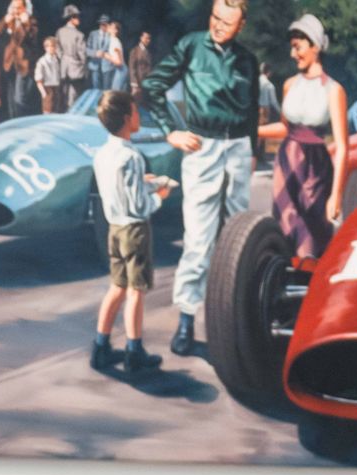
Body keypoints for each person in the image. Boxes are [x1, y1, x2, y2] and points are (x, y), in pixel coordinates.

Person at [139, 0, 260, 357]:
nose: (218, 26)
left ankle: (232, 319)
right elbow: (153, 86)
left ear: (241, 26)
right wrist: (170, 132)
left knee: (236, 237)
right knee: (198, 239)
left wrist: (252, 150)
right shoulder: (191, 46)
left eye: (227, 23)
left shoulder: (247, 61)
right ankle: (187, 319)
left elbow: (252, 111)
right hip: (202, 147)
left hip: (237, 149)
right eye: (215, 18)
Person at [91, 90, 174, 375]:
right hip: (134, 231)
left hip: (114, 228)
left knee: (117, 287)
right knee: (136, 291)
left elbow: (121, 190)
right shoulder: (131, 156)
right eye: (136, 112)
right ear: (127, 119)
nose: (139, 116)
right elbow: (138, 205)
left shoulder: (103, 154)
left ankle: (100, 347)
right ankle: (134, 350)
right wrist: (160, 195)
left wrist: (145, 182)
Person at [258, 14, 349, 259]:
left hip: (315, 168)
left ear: (315, 47)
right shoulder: (289, 85)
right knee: (284, 229)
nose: (293, 54)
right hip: (286, 163)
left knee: (312, 236)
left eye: (298, 47)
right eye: (292, 48)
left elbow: (342, 147)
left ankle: (310, 280)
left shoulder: (334, 90)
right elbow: (284, 128)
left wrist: (336, 195)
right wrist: (253, 131)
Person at [0, 0, 40, 118]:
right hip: (9, 62)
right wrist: (4, 21)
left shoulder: (31, 22)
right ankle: (13, 122)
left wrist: (26, 24)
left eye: (19, 8)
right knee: (11, 97)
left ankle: (21, 122)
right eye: (14, 8)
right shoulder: (9, 20)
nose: (16, 11)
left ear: (25, 9)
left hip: (23, 64)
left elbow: (31, 39)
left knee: (19, 98)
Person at [57, 5, 89, 103]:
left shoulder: (59, 32)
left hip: (64, 67)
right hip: (76, 68)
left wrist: (63, 59)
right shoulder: (79, 35)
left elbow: (58, 50)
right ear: (71, 18)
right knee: (75, 94)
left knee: (65, 93)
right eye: (77, 17)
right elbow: (83, 54)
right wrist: (84, 66)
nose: (79, 19)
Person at [35, 35, 66, 113]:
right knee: (48, 110)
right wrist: (44, 93)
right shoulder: (42, 61)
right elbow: (38, 79)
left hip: (57, 88)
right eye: (50, 46)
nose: (52, 48)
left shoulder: (57, 59)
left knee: (57, 110)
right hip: (47, 89)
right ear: (45, 48)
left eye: (54, 46)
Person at [128, 31, 154, 97]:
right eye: (146, 38)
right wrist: (134, 83)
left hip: (146, 83)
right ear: (141, 38)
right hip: (137, 83)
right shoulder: (135, 51)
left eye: (149, 39)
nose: (148, 40)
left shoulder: (148, 52)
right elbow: (132, 68)